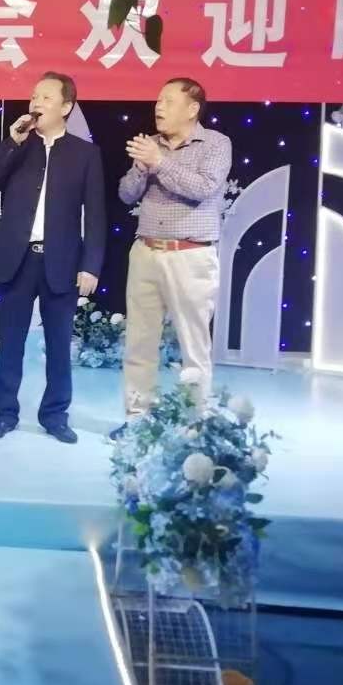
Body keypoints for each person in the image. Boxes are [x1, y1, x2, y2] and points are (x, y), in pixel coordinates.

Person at [0, 72, 105, 444]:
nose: (36, 102)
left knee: (58, 345)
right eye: (35, 96)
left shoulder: (85, 153)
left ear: (66, 107)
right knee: (11, 342)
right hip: (18, 259)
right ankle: (5, 412)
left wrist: (91, 265)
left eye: (47, 97)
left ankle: (55, 415)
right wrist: (11, 143)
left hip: (62, 261)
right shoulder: (20, 145)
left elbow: (95, 214)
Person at [112, 77, 232, 439]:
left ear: (192, 109)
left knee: (193, 346)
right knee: (139, 342)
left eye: (167, 101)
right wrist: (141, 167)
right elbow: (125, 194)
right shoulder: (151, 145)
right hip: (146, 252)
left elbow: (203, 188)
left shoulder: (216, 144)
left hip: (190, 255)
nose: (158, 107)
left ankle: (194, 424)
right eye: (158, 101)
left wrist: (160, 162)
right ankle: (137, 419)